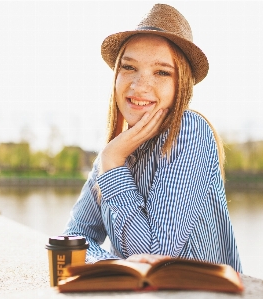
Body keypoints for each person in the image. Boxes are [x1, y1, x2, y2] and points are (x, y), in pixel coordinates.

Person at [63, 3, 242, 273]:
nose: (139, 86)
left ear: (181, 85)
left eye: (161, 72)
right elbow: (72, 238)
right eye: (129, 67)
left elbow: (154, 257)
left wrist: (112, 163)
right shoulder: (118, 150)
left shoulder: (190, 131)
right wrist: (113, 264)